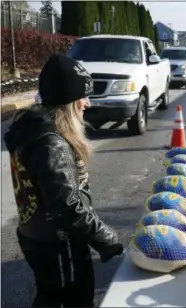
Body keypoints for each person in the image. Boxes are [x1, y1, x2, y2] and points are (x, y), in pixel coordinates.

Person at [3, 54, 123, 307]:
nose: (87, 104)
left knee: (49, 296)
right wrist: (107, 239)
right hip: (58, 242)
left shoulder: (31, 126)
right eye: (83, 97)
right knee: (70, 301)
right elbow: (67, 204)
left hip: (36, 236)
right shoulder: (52, 142)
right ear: (68, 102)